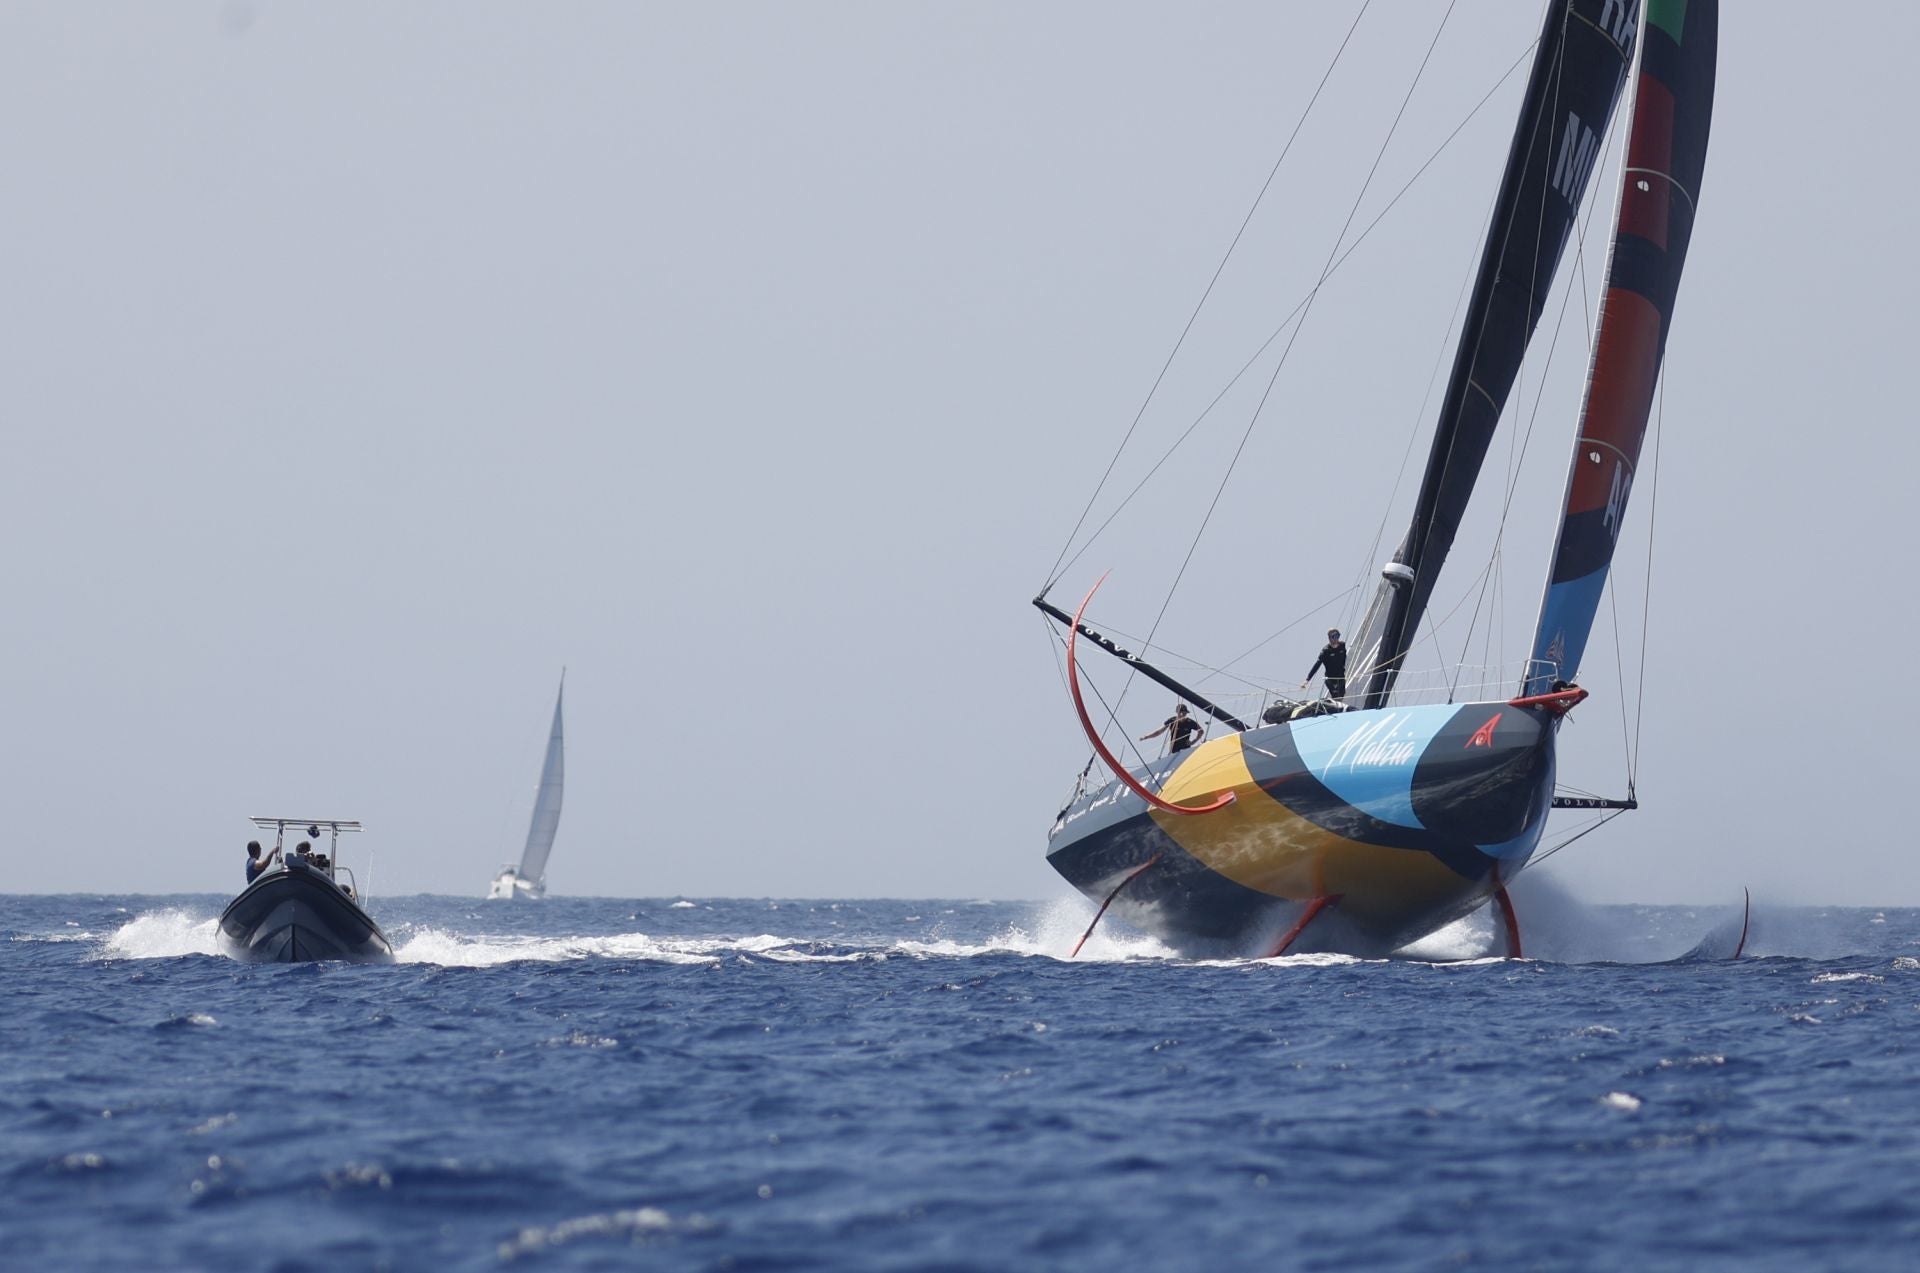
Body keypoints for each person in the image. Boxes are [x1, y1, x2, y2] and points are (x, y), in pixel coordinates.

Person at [1140, 702, 1205, 754]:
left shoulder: (1189, 722)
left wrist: (1193, 742)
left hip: (1186, 751)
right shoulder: (1172, 720)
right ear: (1178, 712)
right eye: (1182, 712)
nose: (1184, 714)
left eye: (1185, 713)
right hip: (1174, 751)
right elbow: (1159, 732)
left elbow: (1201, 731)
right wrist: (1146, 737)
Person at [1303, 627, 1348, 700]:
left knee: (1341, 695)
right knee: (1335, 695)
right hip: (1330, 678)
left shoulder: (1342, 646)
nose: (1336, 638)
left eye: (1338, 636)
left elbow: (1344, 659)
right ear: (1329, 638)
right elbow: (1317, 665)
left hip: (1341, 677)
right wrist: (1307, 680)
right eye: (1334, 636)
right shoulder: (1325, 651)